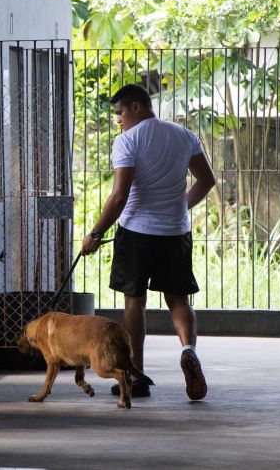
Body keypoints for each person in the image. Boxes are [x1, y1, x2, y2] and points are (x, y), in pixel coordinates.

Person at [81, 83, 215, 401]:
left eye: (120, 112)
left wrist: (96, 234)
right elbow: (206, 180)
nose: (119, 120)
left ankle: (134, 375)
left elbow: (119, 195)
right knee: (179, 300)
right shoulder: (183, 134)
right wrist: (179, 206)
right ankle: (188, 350)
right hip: (175, 232)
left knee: (134, 302)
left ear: (137, 107)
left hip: (137, 233)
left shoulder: (128, 141)